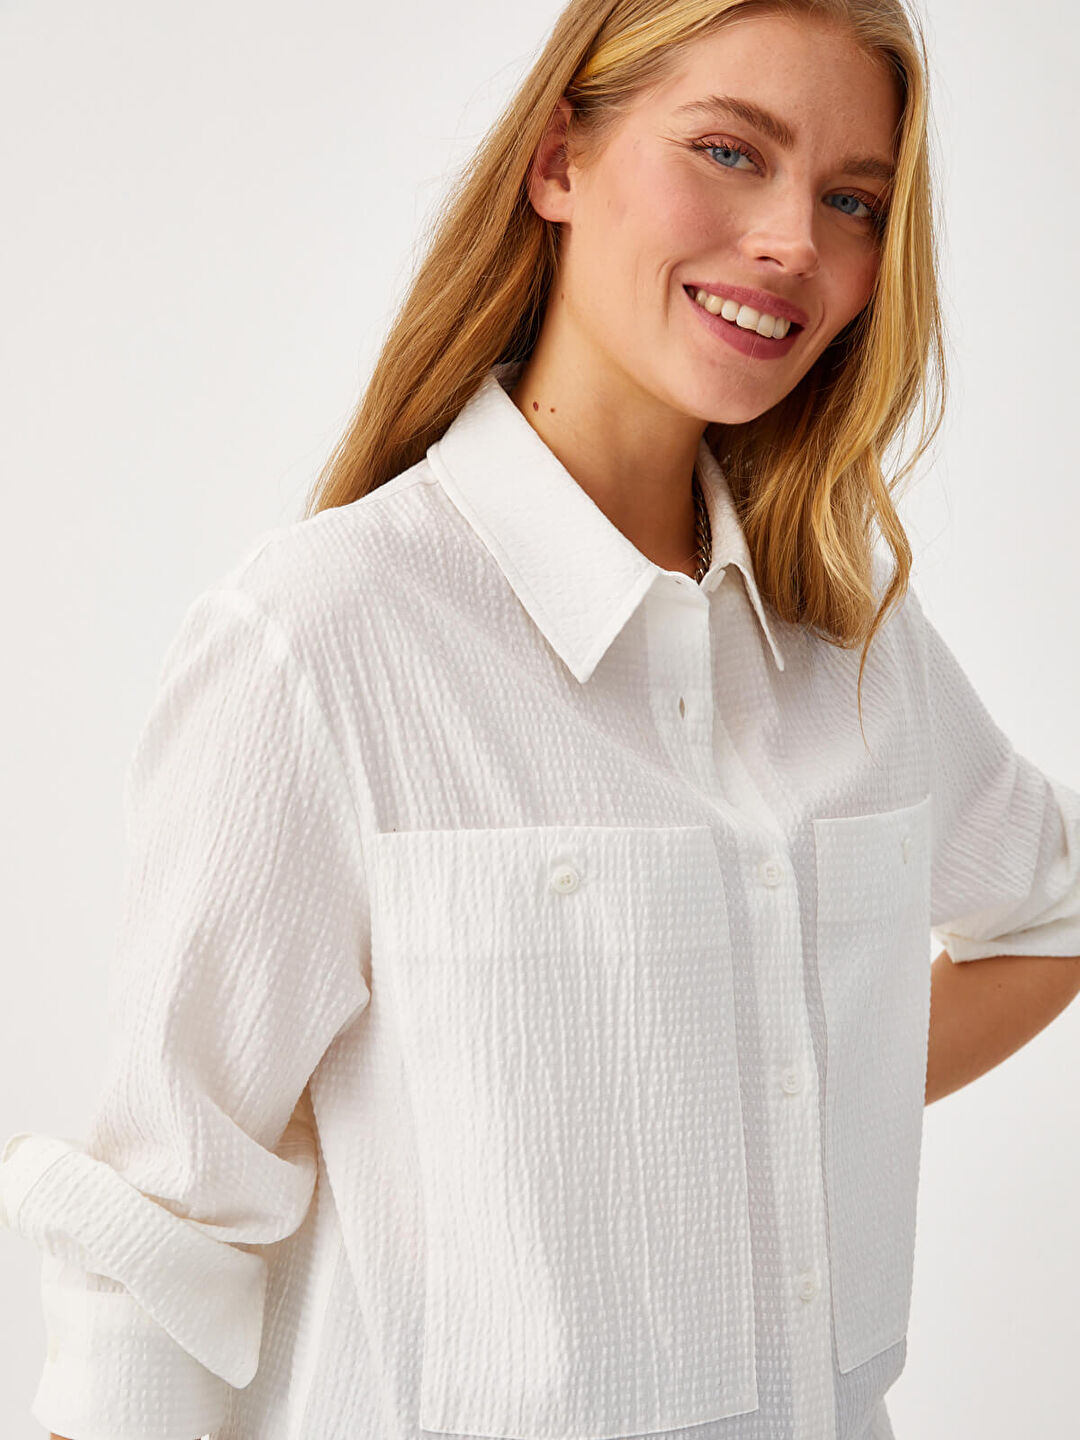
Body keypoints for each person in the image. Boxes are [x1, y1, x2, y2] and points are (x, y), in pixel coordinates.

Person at [2, 1, 1078, 1438]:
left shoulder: (852, 642)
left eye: (854, 201)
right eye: (729, 151)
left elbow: (1049, 911)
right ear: (558, 159)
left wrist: (782, 1104)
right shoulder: (323, 642)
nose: (793, 244)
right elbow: (154, 1245)